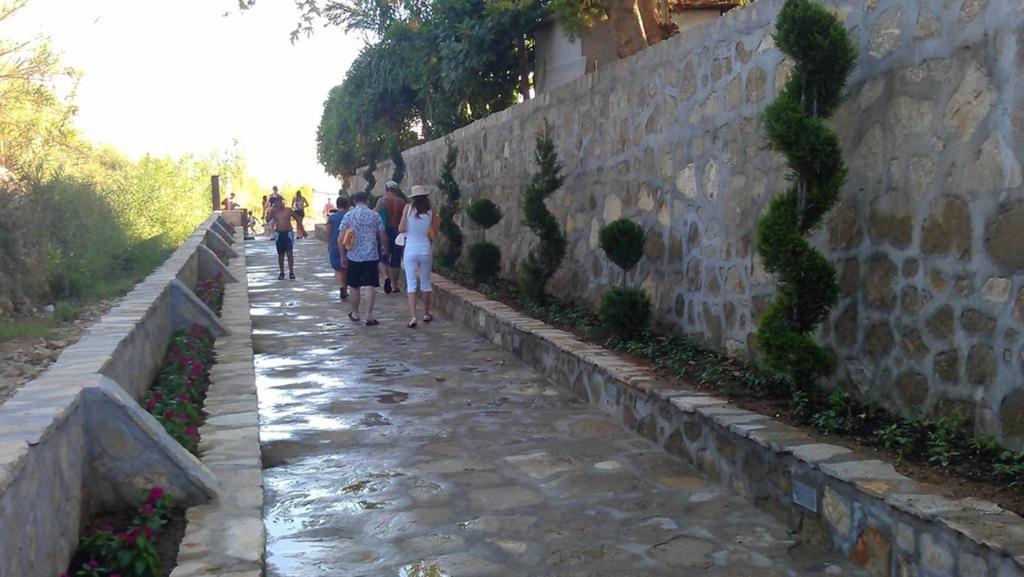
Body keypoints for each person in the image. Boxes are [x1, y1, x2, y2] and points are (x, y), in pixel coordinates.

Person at [340, 192, 389, 326]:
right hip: (371, 255)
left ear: (354, 201)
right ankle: (369, 315)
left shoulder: (349, 216)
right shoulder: (375, 215)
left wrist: (342, 256)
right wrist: (385, 248)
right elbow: (382, 234)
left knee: (354, 286)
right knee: (370, 285)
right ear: (367, 200)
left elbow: (340, 239)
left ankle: (355, 313)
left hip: (354, 255)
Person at [398, 185, 439, 328]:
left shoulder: (408, 208)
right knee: (426, 282)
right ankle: (426, 313)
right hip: (425, 248)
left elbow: (401, 228)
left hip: (410, 249)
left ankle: (414, 317)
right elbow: (435, 231)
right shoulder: (431, 211)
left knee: (411, 283)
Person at [374, 180, 406, 294]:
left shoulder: (381, 201)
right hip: (397, 232)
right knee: (396, 260)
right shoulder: (401, 202)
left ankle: (386, 277)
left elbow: (375, 215)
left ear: (386, 189)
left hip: (384, 231)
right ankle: (394, 285)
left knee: (383, 257)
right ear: (396, 190)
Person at [327, 195, 350, 301]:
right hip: (348, 244)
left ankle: (342, 286)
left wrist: (329, 243)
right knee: (347, 267)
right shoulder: (349, 216)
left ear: (337, 205)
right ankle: (345, 288)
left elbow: (328, 232)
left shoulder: (332, 218)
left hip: (335, 244)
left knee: (338, 268)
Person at [270, 196, 299, 280]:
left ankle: (291, 272)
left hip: (288, 233)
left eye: (281, 201)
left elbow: (297, 219)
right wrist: (270, 211)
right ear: (275, 203)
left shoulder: (288, 210)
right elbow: (268, 219)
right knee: (281, 254)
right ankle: (282, 272)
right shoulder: (274, 212)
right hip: (279, 233)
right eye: (278, 202)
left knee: (289, 253)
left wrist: (302, 230)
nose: (280, 203)